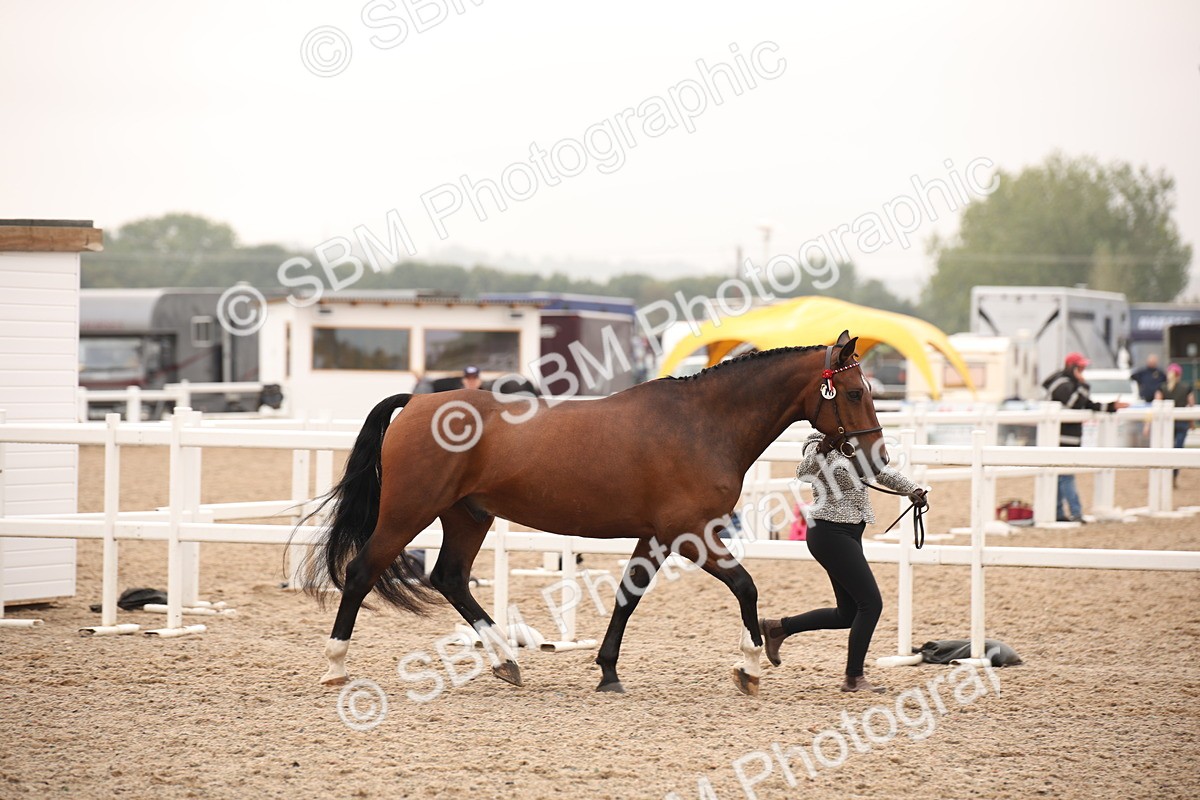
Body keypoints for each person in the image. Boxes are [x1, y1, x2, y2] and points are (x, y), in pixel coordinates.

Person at [759, 432, 928, 694]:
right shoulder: (816, 442)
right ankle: (854, 678)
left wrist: (912, 489)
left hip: (850, 531)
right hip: (828, 532)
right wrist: (823, 450)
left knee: (848, 613)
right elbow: (803, 473)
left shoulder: (856, 442)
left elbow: (880, 472)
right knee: (871, 603)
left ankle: (778, 628)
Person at [1042, 352, 1128, 521]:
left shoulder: (1071, 384)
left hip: (1067, 436)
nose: (1083, 371)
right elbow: (1075, 402)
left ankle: (1059, 512)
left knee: (1061, 474)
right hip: (1060, 437)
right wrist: (1083, 385)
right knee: (1066, 474)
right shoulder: (1061, 384)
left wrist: (1110, 406)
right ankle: (1075, 512)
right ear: (1072, 367)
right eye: (1080, 368)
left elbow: (1088, 404)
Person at [1156, 363, 1194, 487]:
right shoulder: (1186, 387)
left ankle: (1165, 475)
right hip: (1182, 422)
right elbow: (1191, 406)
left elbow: (1157, 405)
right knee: (1178, 449)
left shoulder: (1162, 387)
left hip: (1167, 424)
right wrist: (1192, 422)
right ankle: (1174, 475)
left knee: (1166, 448)